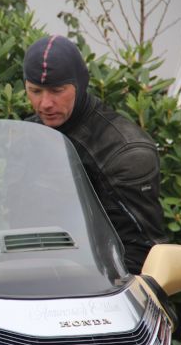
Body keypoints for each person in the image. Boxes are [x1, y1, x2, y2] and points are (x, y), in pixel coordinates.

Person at [22, 35, 168, 273]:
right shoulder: (27, 135)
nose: (45, 103)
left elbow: (141, 251)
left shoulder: (126, 150)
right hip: (36, 280)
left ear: (79, 85)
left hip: (103, 289)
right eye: (35, 91)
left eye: (57, 91)